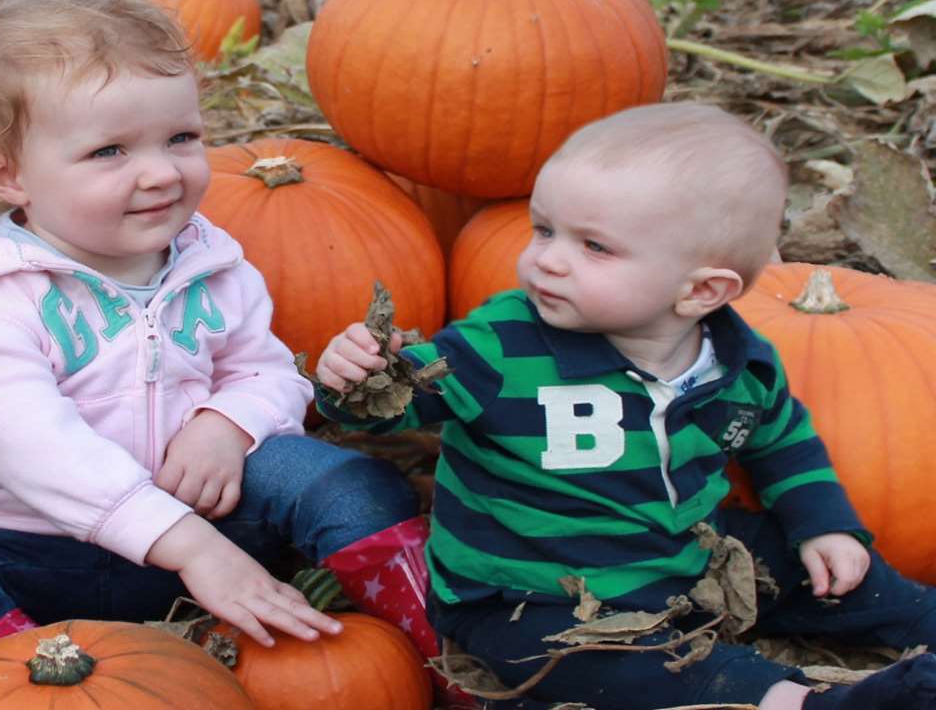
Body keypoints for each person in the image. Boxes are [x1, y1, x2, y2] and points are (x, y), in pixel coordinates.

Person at [0, 0, 447, 690]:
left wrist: (225, 425)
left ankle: (445, 650)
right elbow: (35, 448)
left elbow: (267, 371)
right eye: (109, 151)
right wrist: (189, 546)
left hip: (207, 510)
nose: (162, 172)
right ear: (6, 174)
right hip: (30, 549)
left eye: (182, 138)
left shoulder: (208, 262)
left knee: (343, 479)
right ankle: (35, 684)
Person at [315, 102, 936, 710]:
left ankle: (917, 620)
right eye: (545, 230)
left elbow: (783, 442)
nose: (547, 259)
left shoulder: (740, 364)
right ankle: (795, 699)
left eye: (595, 247)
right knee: (613, 665)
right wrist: (358, 379)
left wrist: (822, 524)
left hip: (688, 554)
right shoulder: (501, 348)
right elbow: (393, 407)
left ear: (701, 291)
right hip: (529, 596)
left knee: (822, 565)